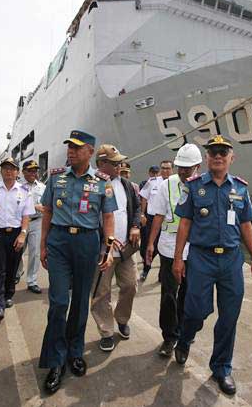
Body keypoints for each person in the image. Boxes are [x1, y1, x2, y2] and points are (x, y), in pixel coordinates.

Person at [172, 135, 252, 396]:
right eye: (213, 152)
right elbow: (185, 224)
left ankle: (222, 367)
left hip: (232, 259)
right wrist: (178, 259)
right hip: (202, 257)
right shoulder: (194, 186)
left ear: (231, 157)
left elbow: (246, 224)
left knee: (229, 315)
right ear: (207, 158)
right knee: (196, 310)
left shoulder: (241, 189)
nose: (218, 156)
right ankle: (186, 337)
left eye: (223, 152)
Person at [39, 130, 117, 394]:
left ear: (90, 152)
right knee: (59, 301)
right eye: (69, 147)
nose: (70, 151)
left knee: (82, 300)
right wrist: (43, 245)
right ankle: (56, 361)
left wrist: (107, 250)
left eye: (76, 147)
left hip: (87, 243)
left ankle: (75, 351)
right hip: (59, 242)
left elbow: (108, 218)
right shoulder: (56, 178)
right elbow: (48, 212)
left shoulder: (102, 182)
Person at [146, 144, 201, 357]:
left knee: (189, 295)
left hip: (195, 251)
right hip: (169, 249)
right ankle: (169, 337)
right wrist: (150, 244)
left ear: (197, 166)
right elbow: (157, 216)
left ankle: (185, 334)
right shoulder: (166, 185)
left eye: (188, 168)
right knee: (169, 295)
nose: (183, 171)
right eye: (180, 167)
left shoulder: (204, 186)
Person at [91, 144, 141, 352]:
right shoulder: (92, 185)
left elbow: (136, 207)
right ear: (101, 164)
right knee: (101, 293)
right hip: (103, 251)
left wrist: (136, 226)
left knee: (130, 285)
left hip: (126, 250)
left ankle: (122, 318)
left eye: (120, 162)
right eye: (114, 163)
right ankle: (106, 331)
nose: (120, 165)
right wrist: (107, 240)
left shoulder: (127, 185)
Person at [0, 157, 34, 322]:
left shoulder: (24, 191)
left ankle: (8, 294)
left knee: (12, 267)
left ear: (17, 172)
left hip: (15, 233)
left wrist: (23, 233)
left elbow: (26, 215)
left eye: (12, 168)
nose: (8, 171)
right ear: (1, 171)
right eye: (5, 168)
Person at [139, 162, 172, 281]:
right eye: (163, 168)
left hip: (167, 219)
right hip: (151, 218)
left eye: (168, 168)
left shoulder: (174, 183)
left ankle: (162, 274)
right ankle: (146, 269)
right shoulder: (152, 182)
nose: (165, 171)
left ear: (172, 170)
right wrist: (142, 214)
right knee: (148, 245)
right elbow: (144, 197)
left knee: (163, 247)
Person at [18, 159, 45, 294]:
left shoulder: (42, 187)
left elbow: (46, 205)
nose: (33, 173)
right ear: (23, 172)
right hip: (22, 222)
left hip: (37, 222)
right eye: (30, 170)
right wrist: (34, 206)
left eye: (35, 171)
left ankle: (32, 281)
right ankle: (17, 273)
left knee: (35, 253)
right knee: (18, 250)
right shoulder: (18, 187)